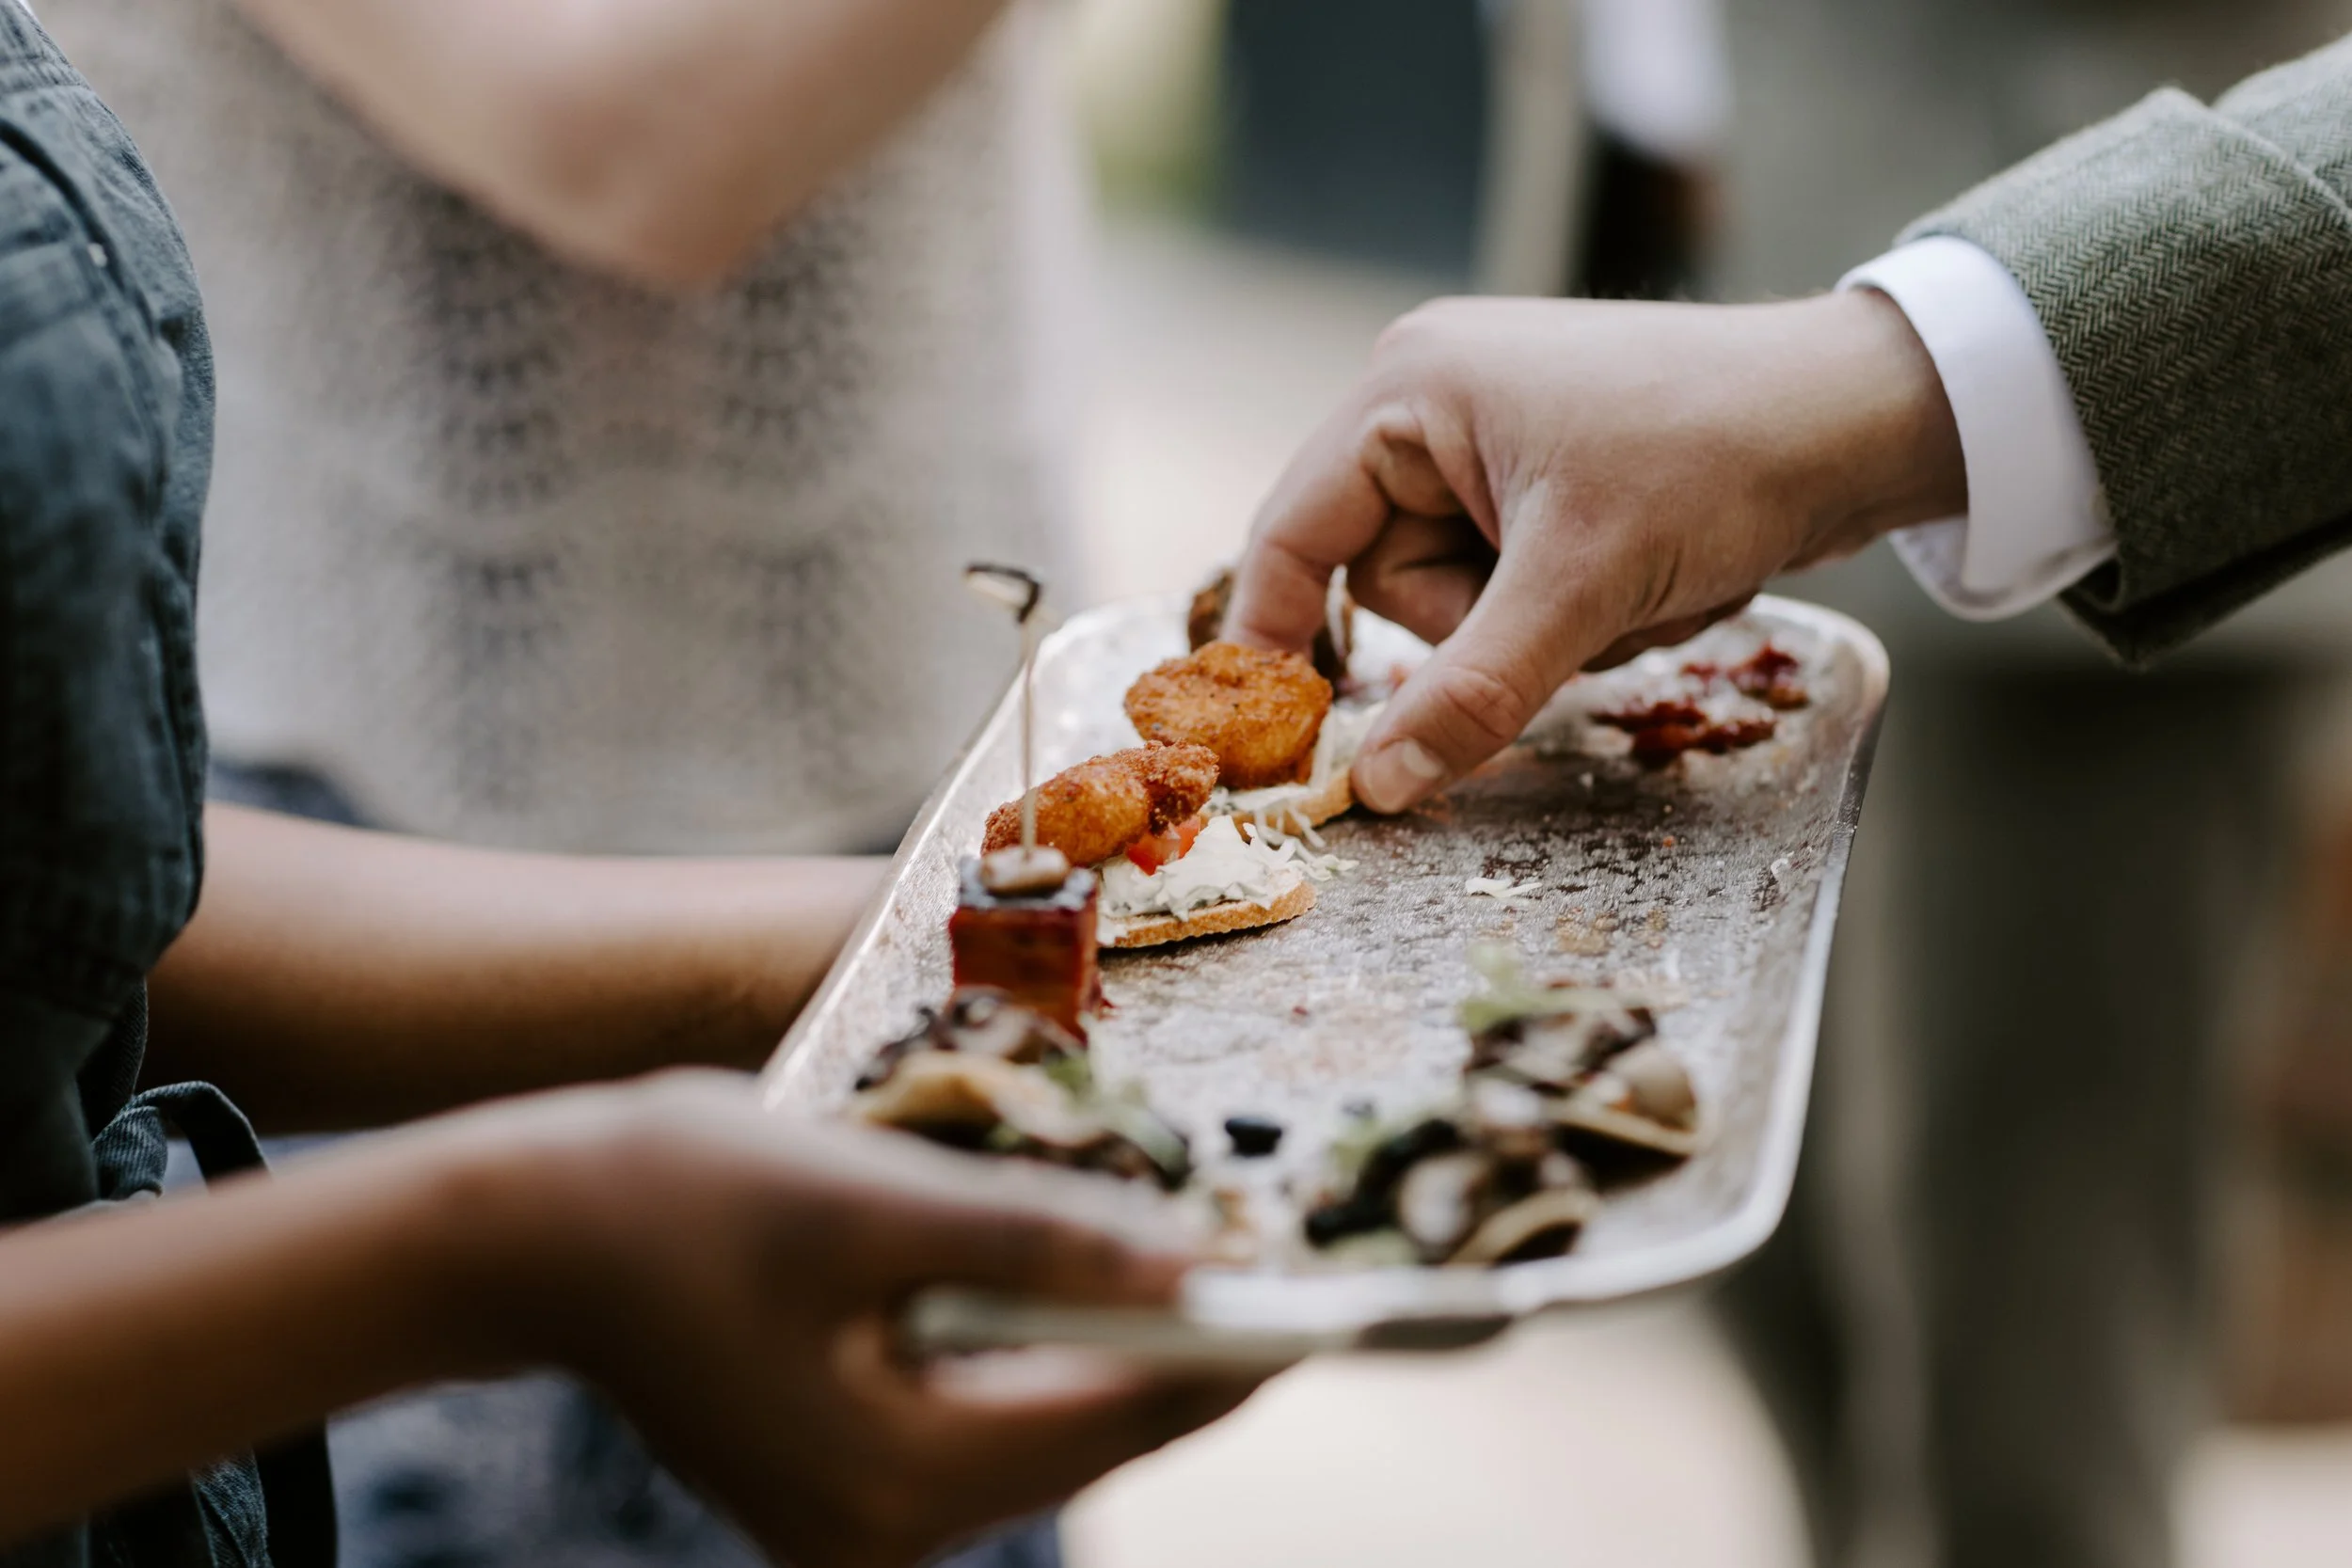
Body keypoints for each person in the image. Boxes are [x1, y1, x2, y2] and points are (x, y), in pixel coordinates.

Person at [0, 7, 1246, 1566]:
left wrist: (898, 942)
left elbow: (74, 913)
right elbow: (642, 136)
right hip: (407, 938)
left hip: (810, 835)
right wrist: (500, 1253)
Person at [1231, 28, 2351, 1567]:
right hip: (1651, 271)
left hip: (2086, 382)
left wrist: (1888, 376)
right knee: (1775, 1296)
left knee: (2020, 1424)